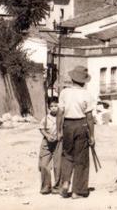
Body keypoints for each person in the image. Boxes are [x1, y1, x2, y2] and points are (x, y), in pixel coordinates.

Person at [57, 65, 95, 199]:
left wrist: (58, 131)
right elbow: (90, 118)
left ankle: (66, 182)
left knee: (67, 155)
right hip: (81, 124)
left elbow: (60, 114)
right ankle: (77, 191)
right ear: (84, 81)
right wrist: (91, 136)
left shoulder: (64, 92)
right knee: (81, 158)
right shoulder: (87, 95)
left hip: (67, 125)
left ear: (72, 78)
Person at [38, 97, 62, 194]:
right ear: (48, 107)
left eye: (56, 106)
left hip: (58, 143)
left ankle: (57, 187)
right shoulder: (45, 118)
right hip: (47, 143)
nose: (53, 108)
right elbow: (41, 128)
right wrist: (47, 136)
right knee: (44, 165)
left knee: (58, 165)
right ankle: (46, 187)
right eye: (51, 106)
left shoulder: (61, 118)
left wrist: (60, 135)